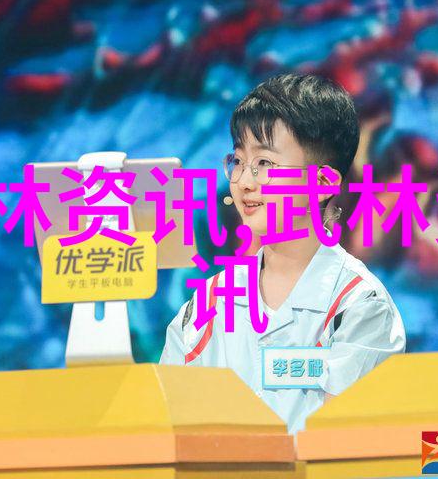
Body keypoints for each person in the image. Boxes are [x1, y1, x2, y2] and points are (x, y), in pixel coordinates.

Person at [159, 73, 406, 433]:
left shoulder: (359, 305)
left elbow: (348, 444)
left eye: (265, 164)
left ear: (323, 182)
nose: (244, 181)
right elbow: (168, 423)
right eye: (238, 161)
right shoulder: (207, 304)